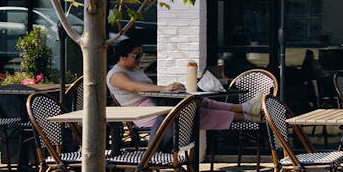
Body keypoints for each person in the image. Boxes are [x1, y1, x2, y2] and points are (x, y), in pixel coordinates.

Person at [106, 43, 263, 131]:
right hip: (147, 115)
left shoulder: (135, 69)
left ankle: (246, 108)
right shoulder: (116, 75)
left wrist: (170, 91)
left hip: (157, 106)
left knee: (199, 101)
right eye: (136, 56)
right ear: (123, 57)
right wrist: (165, 88)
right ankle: (247, 115)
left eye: (141, 55)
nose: (140, 59)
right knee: (195, 113)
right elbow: (135, 88)